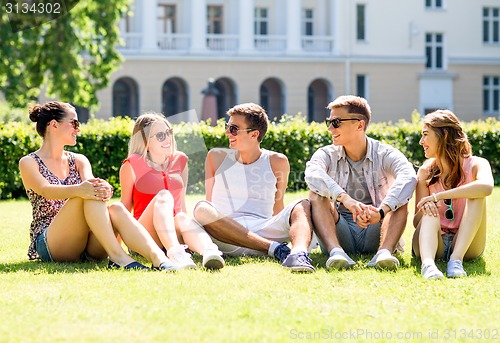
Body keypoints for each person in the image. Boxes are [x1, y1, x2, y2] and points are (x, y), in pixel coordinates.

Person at [19, 101, 175, 271]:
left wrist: (103, 188)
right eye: (74, 123)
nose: (78, 129)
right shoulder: (29, 162)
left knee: (115, 207)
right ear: (54, 125)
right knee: (84, 194)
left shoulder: (79, 160)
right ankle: (118, 257)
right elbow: (46, 190)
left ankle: (159, 258)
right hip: (52, 242)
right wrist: (81, 190)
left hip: (88, 242)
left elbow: (91, 185)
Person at [193, 103, 315, 272]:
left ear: (254, 134)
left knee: (303, 205)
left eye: (234, 129)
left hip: (263, 230)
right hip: (226, 237)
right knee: (202, 208)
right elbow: (210, 202)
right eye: (227, 127)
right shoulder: (216, 156)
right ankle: (274, 249)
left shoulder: (277, 161)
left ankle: (298, 254)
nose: (228, 133)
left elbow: (277, 206)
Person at [305, 95, 417, 270]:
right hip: (339, 230)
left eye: (336, 122)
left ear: (359, 125)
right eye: (329, 122)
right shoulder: (326, 154)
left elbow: (409, 176)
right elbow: (312, 174)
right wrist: (346, 199)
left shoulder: (385, 153)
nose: (329, 128)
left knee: (399, 200)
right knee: (316, 194)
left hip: (378, 229)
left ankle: (384, 254)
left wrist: (381, 212)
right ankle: (336, 253)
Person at [119, 112, 225, 270]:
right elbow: (124, 207)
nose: (168, 139)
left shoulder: (180, 160)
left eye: (169, 133)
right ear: (145, 141)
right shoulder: (132, 164)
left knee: (181, 216)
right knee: (164, 196)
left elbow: (181, 204)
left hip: (172, 232)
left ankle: (209, 251)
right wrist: (116, 247)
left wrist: (188, 233)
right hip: (144, 235)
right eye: (160, 135)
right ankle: (175, 253)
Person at [412, 110, 493, 279]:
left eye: (426, 135)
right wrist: (427, 205)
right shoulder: (426, 171)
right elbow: (416, 222)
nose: (421, 142)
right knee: (429, 208)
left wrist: (438, 196)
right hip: (435, 242)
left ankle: (456, 261)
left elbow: (486, 187)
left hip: (466, 243)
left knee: (476, 194)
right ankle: (428, 265)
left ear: (444, 135)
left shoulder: (477, 164)